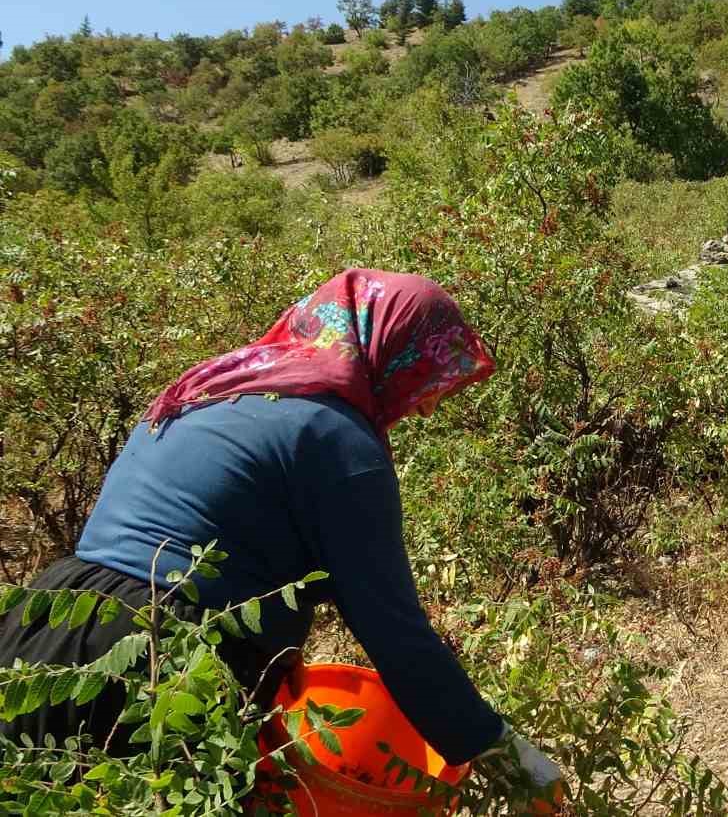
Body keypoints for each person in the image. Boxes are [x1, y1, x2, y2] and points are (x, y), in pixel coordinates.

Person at [0, 268, 561, 795]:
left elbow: (223, 526)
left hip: (44, 627)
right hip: (159, 662)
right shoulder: (337, 439)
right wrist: (503, 752)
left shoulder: (214, 387)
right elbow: (393, 630)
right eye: (427, 377)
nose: (429, 406)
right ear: (391, 352)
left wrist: (280, 653)